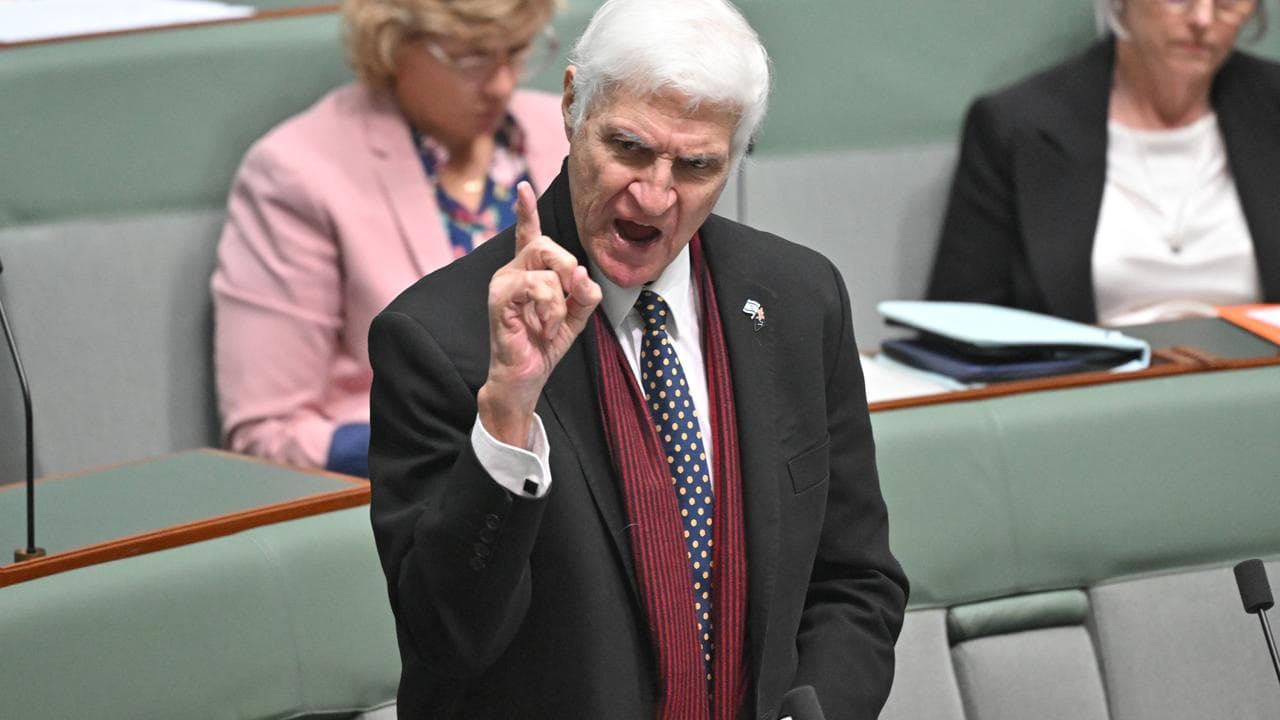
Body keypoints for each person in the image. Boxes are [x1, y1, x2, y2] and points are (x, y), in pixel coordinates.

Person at [366, 0, 909, 718]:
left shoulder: (799, 301)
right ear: (572, 107)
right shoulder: (440, 338)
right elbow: (448, 641)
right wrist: (507, 415)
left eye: (696, 165)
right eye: (628, 148)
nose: (653, 196)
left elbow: (854, 581)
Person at [211, 0, 569, 476]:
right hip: (417, 485)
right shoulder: (298, 173)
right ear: (393, 42)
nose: (502, 84)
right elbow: (267, 432)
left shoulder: (567, 132)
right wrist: (454, 445)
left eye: (517, 50)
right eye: (472, 57)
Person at [927, 0, 1280, 326]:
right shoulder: (1016, 126)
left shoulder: (1271, 107)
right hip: (1088, 371)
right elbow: (959, 322)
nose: (1203, 18)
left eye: (1228, 2)